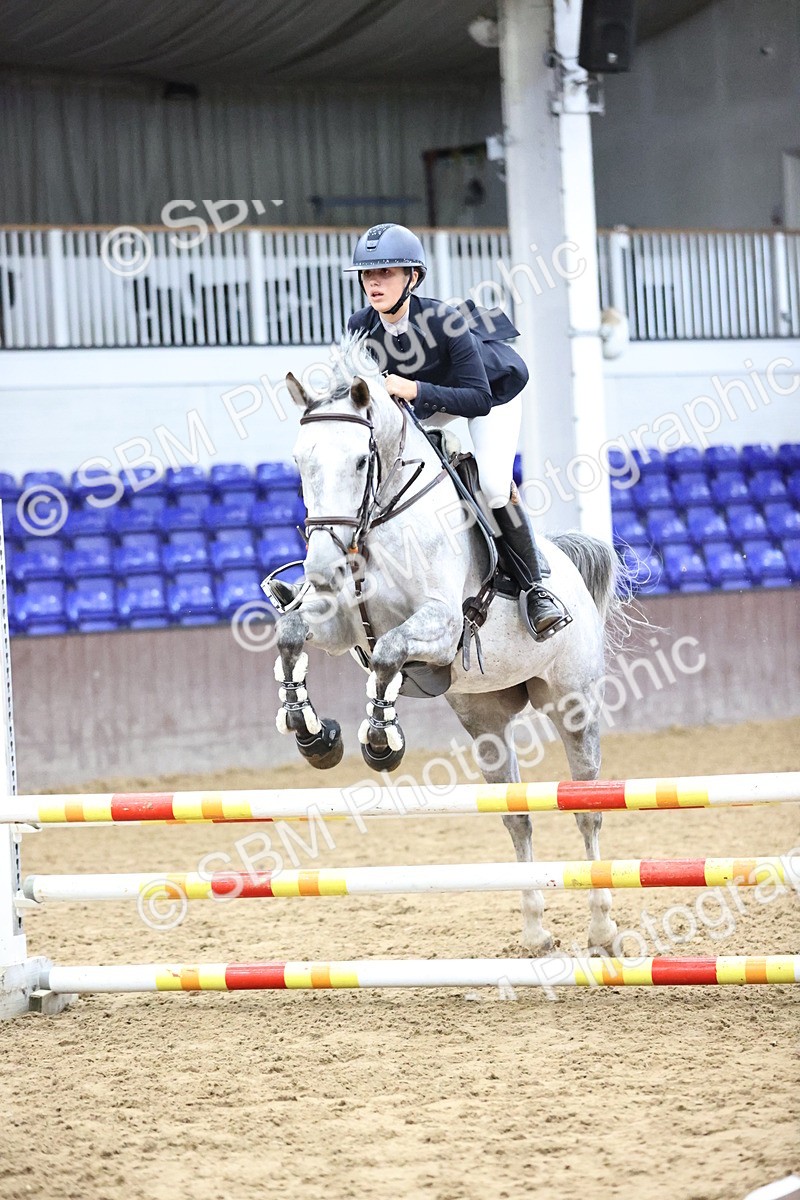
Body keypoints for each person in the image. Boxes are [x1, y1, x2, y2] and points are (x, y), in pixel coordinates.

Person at [344, 222, 569, 641]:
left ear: (413, 277)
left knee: (494, 486)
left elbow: (477, 399)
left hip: (489, 394)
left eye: (386, 273)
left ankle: (534, 588)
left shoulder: (444, 321)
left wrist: (413, 388)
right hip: (427, 403)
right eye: (368, 274)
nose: (374, 282)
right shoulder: (361, 325)